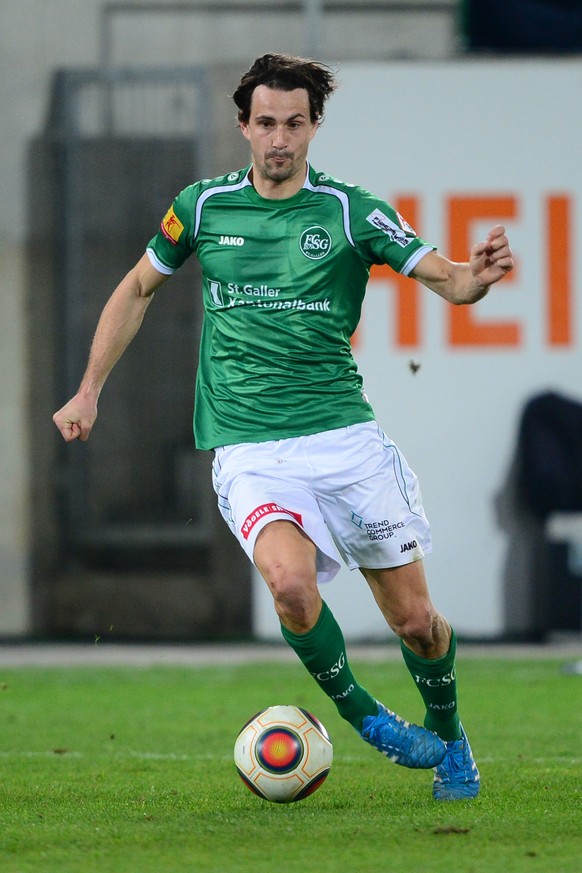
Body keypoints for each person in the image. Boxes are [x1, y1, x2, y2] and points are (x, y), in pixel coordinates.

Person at [53, 53, 514, 800]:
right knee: (291, 586)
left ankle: (451, 736)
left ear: (313, 127)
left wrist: (477, 276)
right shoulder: (202, 207)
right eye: (265, 122)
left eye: (294, 123)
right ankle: (364, 716)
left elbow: (447, 278)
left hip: (344, 441)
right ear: (243, 125)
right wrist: (88, 390)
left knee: (418, 621)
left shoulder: (349, 210)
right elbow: (136, 288)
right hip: (251, 448)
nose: (279, 138)